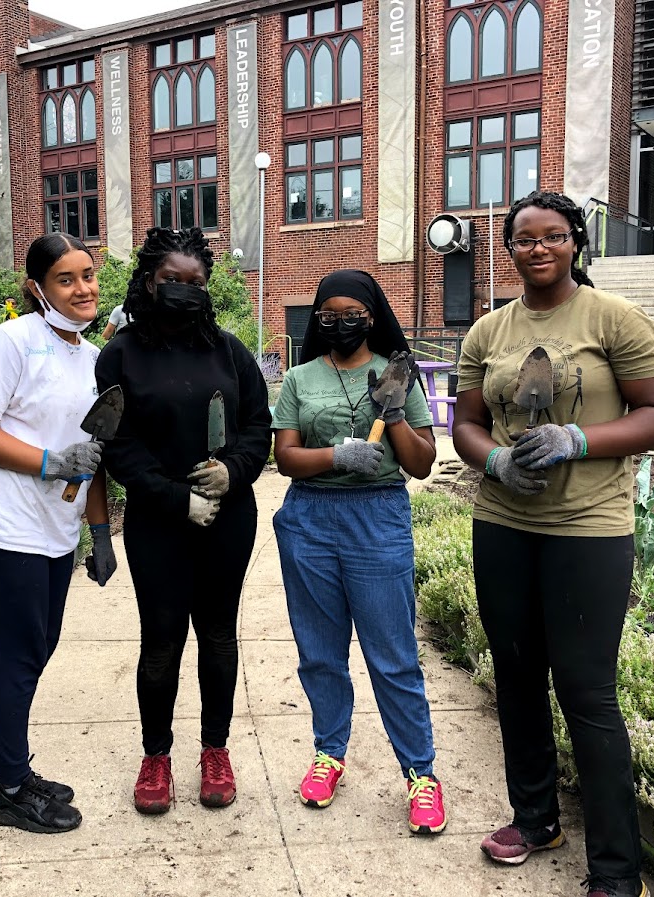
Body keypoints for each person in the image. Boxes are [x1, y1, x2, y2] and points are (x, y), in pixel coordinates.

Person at [452, 191, 654, 897]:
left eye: (553, 236)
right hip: (503, 523)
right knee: (516, 679)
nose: (538, 248)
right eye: (524, 239)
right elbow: (465, 424)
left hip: (587, 529)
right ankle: (535, 818)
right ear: (509, 249)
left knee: (586, 692)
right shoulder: (488, 331)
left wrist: (576, 438)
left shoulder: (612, 318)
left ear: (575, 242)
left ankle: (616, 870)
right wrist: (494, 460)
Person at [94, 226, 272, 814]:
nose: (183, 290)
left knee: (218, 633)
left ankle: (215, 751)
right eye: (172, 280)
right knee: (162, 639)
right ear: (149, 281)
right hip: (159, 521)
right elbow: (117, 446)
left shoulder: (228, 351)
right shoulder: (120, 354)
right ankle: (156, 756)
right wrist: (176, 498)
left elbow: (257, 427)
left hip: (228, 515)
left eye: (195, 282)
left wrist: (235, 472)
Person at [0, 232, 118, 835]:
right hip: (2, 522)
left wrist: (100, 532)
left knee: (37, 648)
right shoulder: (13, 340)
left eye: (89, 275)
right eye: (66, 279)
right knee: (20, 654)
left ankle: (5, 771)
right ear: (37, 288)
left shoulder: (93, 357)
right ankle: (10, 786)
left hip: (55, 529)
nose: (83, 289)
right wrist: (49, 462)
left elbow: (93, 450)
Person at [271, 269, 447, 835]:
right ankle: (329, 754)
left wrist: (392, 414)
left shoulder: (397, 374)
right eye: (329, 315)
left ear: (372, 316)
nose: (340, 323)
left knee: (392, 654)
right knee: (319, 652)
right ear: (317, 320)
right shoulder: (299, 378)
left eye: (352, 314)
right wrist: (338, 458)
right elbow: (286, 459)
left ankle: (420, 775)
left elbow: (421, 463)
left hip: (378, 517)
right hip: (310, 519)